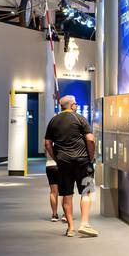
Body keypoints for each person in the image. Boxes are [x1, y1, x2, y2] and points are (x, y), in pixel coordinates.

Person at [44, 94, 98, 237]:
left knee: (66, 194)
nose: (76, 106)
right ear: (72, 105)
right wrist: (90, 158)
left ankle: (71, 228)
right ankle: (84, 223)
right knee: (86, 191)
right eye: (75, 104)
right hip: (82, 161)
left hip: (63, 163)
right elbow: (90, 140)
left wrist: (57, 158)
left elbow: (47, 143)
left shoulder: (53, 121)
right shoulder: (79, 118)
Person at [45, 155, 60, 221]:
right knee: (65, 192)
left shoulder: (48, 144)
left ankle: (54, 215)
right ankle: (65, 215)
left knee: (53, 192)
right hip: (62, 165)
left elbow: (46, 152)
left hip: (50, 165)